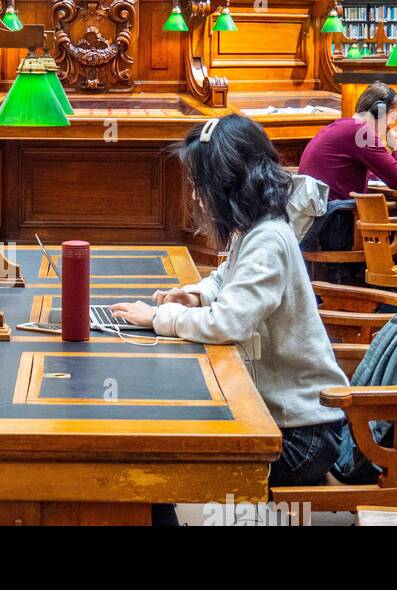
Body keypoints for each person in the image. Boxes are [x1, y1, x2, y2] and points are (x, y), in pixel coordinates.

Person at [108, 115, 349, 488]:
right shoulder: (259, 228)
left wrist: (160, 317)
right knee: (160, 455)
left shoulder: (269, 238)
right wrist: (197, 293)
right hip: (286, 422)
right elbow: (229, 275)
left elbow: (228, 324)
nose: (195, 196)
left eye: (199, 186)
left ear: (226, 184)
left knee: (158, 466)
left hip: (301, 437)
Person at [297, 81, 397, 199]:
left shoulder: (344, 126)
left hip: (319, 212)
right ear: (379, 111)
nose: (392, 124)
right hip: (334, 214)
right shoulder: (362, 132)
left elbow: (373, 172)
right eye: (393, 117)